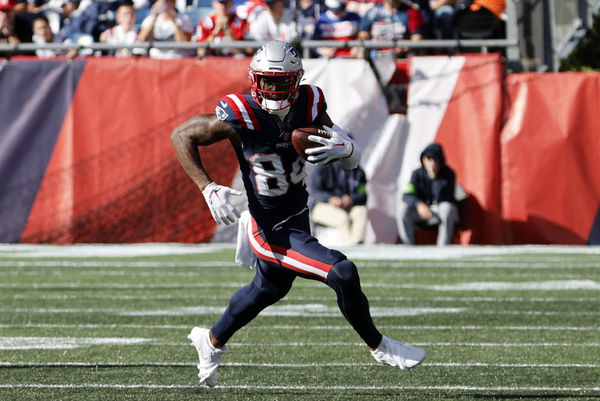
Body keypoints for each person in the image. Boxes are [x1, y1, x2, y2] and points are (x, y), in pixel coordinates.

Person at [170, 40, 426, 387]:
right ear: (254, 79)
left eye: (282, 81)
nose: (274, 89)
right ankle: (379, 345)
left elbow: (340, 145)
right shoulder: (240, 112)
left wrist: (349, 149)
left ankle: (211, 340)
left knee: (269, 288)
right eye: (267, 80)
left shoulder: (310, 101)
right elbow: (181, 135)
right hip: (269, 227)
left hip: (297, 215)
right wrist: (207, 186)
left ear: (298, 78)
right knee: (343, 272)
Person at [397, 142, 459, 246]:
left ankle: (443, 247)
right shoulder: (416, 174)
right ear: (423, 160)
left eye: (435, 159)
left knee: (447, 208)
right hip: (422, 212)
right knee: (403, 209)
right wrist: (419, 205)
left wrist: (434, 176)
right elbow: (407, 195)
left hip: (439, 211)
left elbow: (445, 198)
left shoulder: (448, 174)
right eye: (428, 159)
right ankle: (408, 245)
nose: (432, 162)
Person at [309, 159, 368, 246]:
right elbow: (315, 191)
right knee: (342, 218)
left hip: (349, 206)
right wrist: (330, 199)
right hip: (322, 206)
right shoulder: (323, 166)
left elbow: (363, 194)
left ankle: (357, 245)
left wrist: (351, 199)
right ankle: (350, 248)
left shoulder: (358, 171)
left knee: (361, 211)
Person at [357, 0, 425, 59]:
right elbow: (363, 34)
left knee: (412, 56)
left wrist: (404, 48)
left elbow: (417, 37)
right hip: (377, 52)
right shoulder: (372, 12)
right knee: (361, 53)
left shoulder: (411, 11)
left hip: (402, 53)